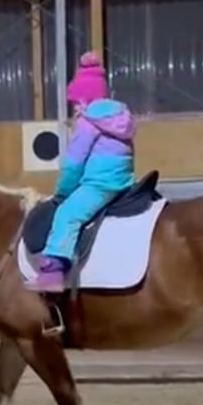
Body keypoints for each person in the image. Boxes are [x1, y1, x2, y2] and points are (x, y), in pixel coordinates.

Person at [27, 51, 136, 293]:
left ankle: (54, 271)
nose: (74, 109)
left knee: (67, 215)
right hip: (124, 181)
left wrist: (63, 191)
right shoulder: (120, 117)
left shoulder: (88, 122)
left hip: (99, 185)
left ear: (85, 100)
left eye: (76, 102)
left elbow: (73, 163)